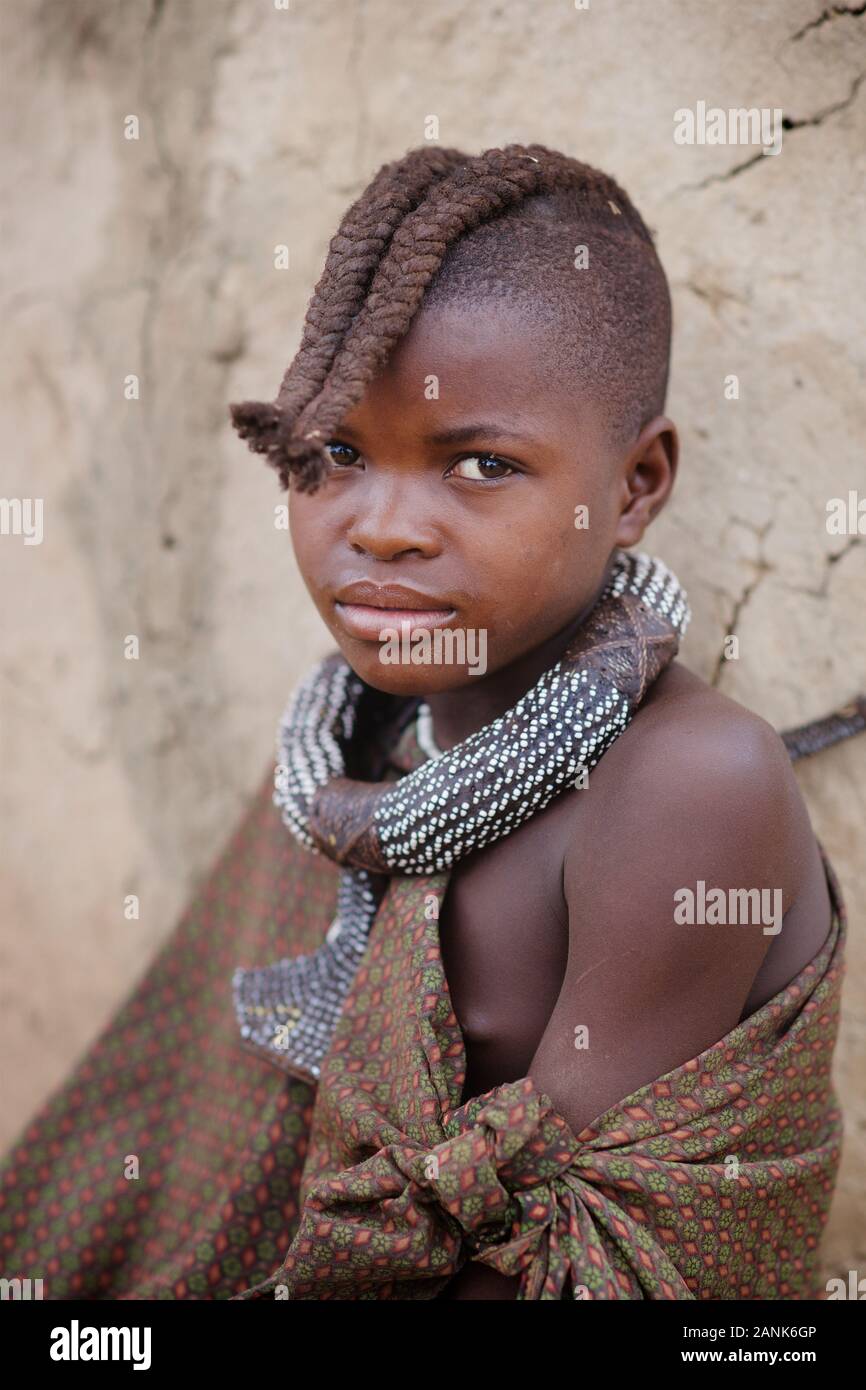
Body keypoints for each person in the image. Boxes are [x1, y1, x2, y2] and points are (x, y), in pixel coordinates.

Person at [1, 143, 861, 1301]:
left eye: (480, 463)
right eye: (337, 453)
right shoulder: (350, 745)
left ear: (636, 485)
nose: (383, 526)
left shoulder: (686, 786)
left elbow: (563, 1266)